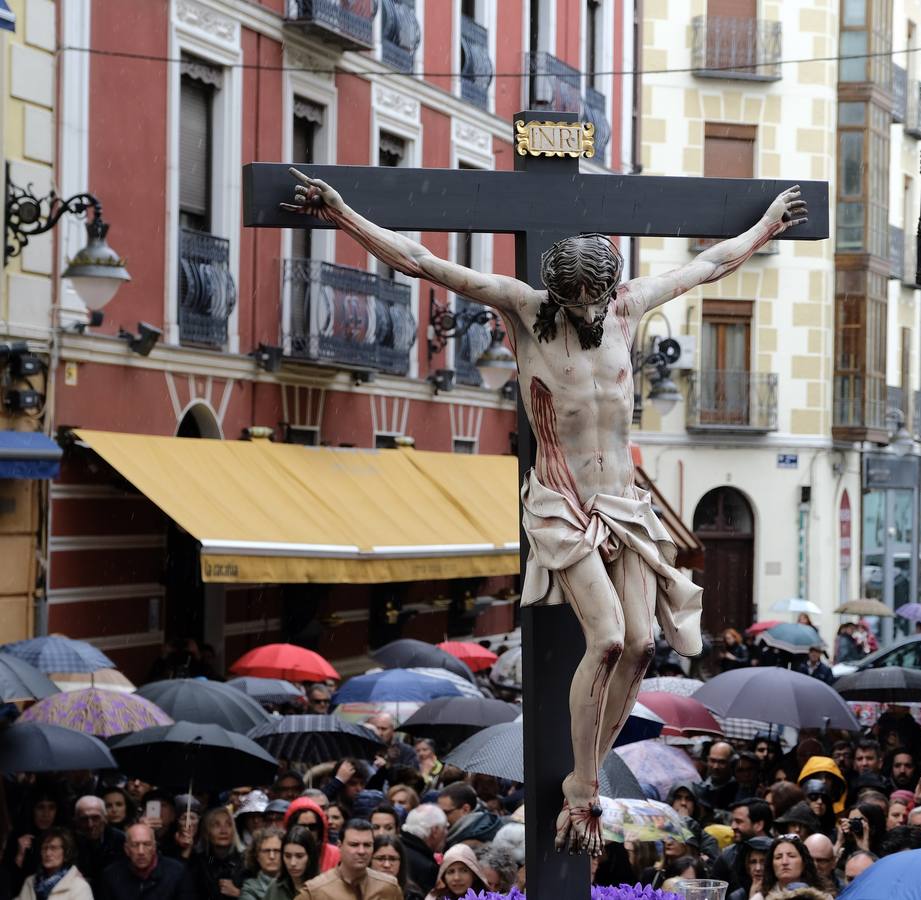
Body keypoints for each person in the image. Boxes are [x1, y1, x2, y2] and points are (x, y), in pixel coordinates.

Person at [282, 167, 808, 857]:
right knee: (610, 640)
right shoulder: (524, 309)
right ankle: (581, 791)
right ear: (558, 293)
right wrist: (344, 216)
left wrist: (766, 224)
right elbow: (422, 261)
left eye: (596, 300)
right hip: (561, 503)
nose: (590, 314)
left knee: (645, 645)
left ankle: (588, 776)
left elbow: (707, 264)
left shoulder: (627, 307)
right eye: (577, 302)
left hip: (624, 500)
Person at [295, 820, 402, 900]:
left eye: (367, 845)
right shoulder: (315, 892)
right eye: (354, 845)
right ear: (339, 846)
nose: (361, 851)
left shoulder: (388, 887)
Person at [98, 823, 196, 900]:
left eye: (147, 844)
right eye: (135, 845)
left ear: (154, 847)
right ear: (126, 849)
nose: (141, 851)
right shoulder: (111, 875)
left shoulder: (176, 872)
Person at [16, 828, 92, 900]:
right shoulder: (30, 882)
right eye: (44, 848)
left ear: (66, 853)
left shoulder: (79, 886)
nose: (48, 853)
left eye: (53, 848)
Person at [749, 834, 831, 900]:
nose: (784, 862)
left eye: (791, 856)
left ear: (804, 862)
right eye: (778, 857)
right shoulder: (760, 898)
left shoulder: (823, 897)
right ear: (772, 865)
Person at [191, 807, 245, 900]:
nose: (223, 831)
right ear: (207, 832)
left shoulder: (246, 862)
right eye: (216, 825)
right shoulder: (200, 862)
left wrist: (238, 894)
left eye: (228, 824)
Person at [70, 796, 124, 884]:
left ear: (105, 818)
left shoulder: (120, 840)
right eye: (84, 819)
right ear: (76, 821)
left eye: (95, 818)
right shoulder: (69, 842)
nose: (90, 825)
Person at [399, 805, 447, 897]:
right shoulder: (427, 867)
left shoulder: (397, 847)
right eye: (445, 828)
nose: (446, 833)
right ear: (435, 831)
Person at [283, 797, 341, 871]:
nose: (307, 831)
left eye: (312, 827)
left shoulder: (335, 854)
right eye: (302, 827)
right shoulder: (281, 852)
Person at [262, 826, 320, 900]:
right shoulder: (275, 887)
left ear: (310, 856)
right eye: (287, 856)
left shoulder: (322, 888)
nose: (293, 863)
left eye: (299, 856)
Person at [238, 828, 284, 900]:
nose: (272, 856)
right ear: (257, 856)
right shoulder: (250, 888)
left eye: (277, 851)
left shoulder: (293, 883)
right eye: (266, 851)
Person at [371, 835, 421, 900]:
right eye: (381, 859)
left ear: (401, 862)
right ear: (370, 861)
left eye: (393, 859)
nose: (387, 865)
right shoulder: (359, 891)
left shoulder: (412, 896)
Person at [701, 741, 738, 811]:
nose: (715, 767)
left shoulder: (737, 790)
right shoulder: (700, 787)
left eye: (721, 762)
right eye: (712, 761)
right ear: (707, 760)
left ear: (731, 763)